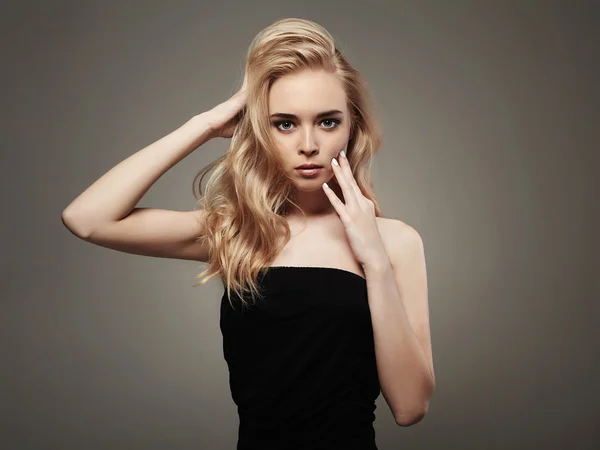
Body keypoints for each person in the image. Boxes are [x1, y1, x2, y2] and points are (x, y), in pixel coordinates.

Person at [62, 17, 434, 450]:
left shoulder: (396, 242)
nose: (308, 144)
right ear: (261, 129)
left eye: (328, 122)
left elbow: (410, 408)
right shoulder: (237, 231)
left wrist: (373, 259)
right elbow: (87, 218)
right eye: (285, 123)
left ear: (352, 128)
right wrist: (203, 125)